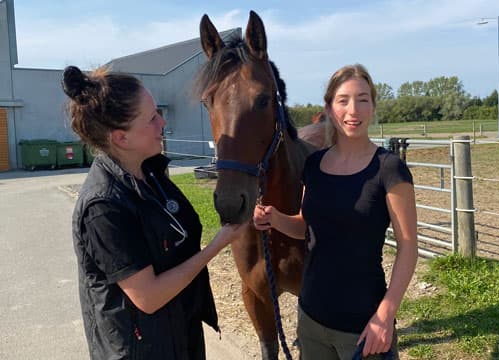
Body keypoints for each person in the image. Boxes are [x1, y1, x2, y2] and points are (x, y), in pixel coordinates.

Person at [62, 65, 239, 359]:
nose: (162, 123)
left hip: (179, 334)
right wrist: (219, 244)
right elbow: (148, 296)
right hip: (142, 349)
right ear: (121, 139)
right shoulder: (103, 207)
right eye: (152, 118)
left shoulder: (151, 174)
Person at [253, 64, 417, 359]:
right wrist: (275, 218)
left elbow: (408, 247)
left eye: (363, 99)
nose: (353, 110)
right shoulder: (314, 166)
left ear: (373, 106)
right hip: (311, 318)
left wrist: (385, 314)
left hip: (364, 327)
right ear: (329, 107)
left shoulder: (389, 169)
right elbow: (306, 225)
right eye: (343, 100)